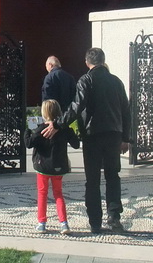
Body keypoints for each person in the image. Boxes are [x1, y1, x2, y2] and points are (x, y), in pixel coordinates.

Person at [45, 47, 131, 233]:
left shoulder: (86, 79)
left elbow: (77, 106)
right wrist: (126, 137)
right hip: (113, 134)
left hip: (93, 135)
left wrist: (58, 124)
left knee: (92, 179)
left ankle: (95, 221)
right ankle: (114, 217)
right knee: (112, 176)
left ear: (87, 62)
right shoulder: (116, 81)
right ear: (103, 60)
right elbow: (126, 110)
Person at [25, 99, 80, 235]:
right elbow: (76, 144)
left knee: (42, 193)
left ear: (44, 113)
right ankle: (64, 223)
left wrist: (27, 130)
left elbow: (29, 143)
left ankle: (42, 223)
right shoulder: (64, 129)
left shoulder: (41, 128)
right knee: (59, 194)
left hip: (42, 166)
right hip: (58, 166)